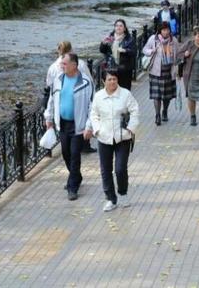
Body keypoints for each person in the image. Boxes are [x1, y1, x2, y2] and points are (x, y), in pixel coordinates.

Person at [87, 68, 140, 212]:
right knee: (106, 170)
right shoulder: (98, 96)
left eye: (114, 79)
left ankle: (123, 193)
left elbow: (135, 110)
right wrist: (97, 129)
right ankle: (110, 198)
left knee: (120, 168)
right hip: (104, 137)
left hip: (122, 137)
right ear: (104, 81)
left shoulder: (125, 95)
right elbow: (94, 114)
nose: (112, 82)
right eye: (109, 79)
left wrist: (130, 128)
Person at [45, 53, 95, 200]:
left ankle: (72, 187)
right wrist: (48, 117)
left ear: (74, 65)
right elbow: (51, 100)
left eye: (64, 64)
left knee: (74, 155)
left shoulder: (85, 82)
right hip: (63, 123)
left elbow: (92, 106)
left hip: (78, 125)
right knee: (66, 153)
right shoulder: (58, 80)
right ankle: (76, 176)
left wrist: (89, 126)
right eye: (62, 64)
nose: (61, 66)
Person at [46, 41, 96, 153]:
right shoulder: (80, 63)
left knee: (73, 153)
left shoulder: (53, 67)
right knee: (68, 151)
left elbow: (49, 84)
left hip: (64, 109)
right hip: (75, 107)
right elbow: (89, 80)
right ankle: (85, 145)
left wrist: (49, 117)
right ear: (71, 49)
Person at [141, 23, 179, 125]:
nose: (165, 32)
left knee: (167, 96)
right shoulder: (154, 39)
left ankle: (165, 111)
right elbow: (144, 49)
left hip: (168, 71)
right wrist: (151, 51)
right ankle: (157, 115)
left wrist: (177, 67)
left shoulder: (173, 40)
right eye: (163, 30)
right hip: (156, 71)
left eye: (167, 30)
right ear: (160, 31)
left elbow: (178, 54)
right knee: (156, 95)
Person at [99, 19, 137, 90]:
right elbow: (102, 51)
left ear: (124, 28)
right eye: (116, 26)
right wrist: (103, 44)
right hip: (111, 69)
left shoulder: (129, 39)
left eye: (120, 26)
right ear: (114, 27)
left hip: (124, 70)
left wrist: (125, 50)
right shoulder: (110, 38)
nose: (118, 27)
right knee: (111, 91)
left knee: (123, 91)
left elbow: (134, 52)